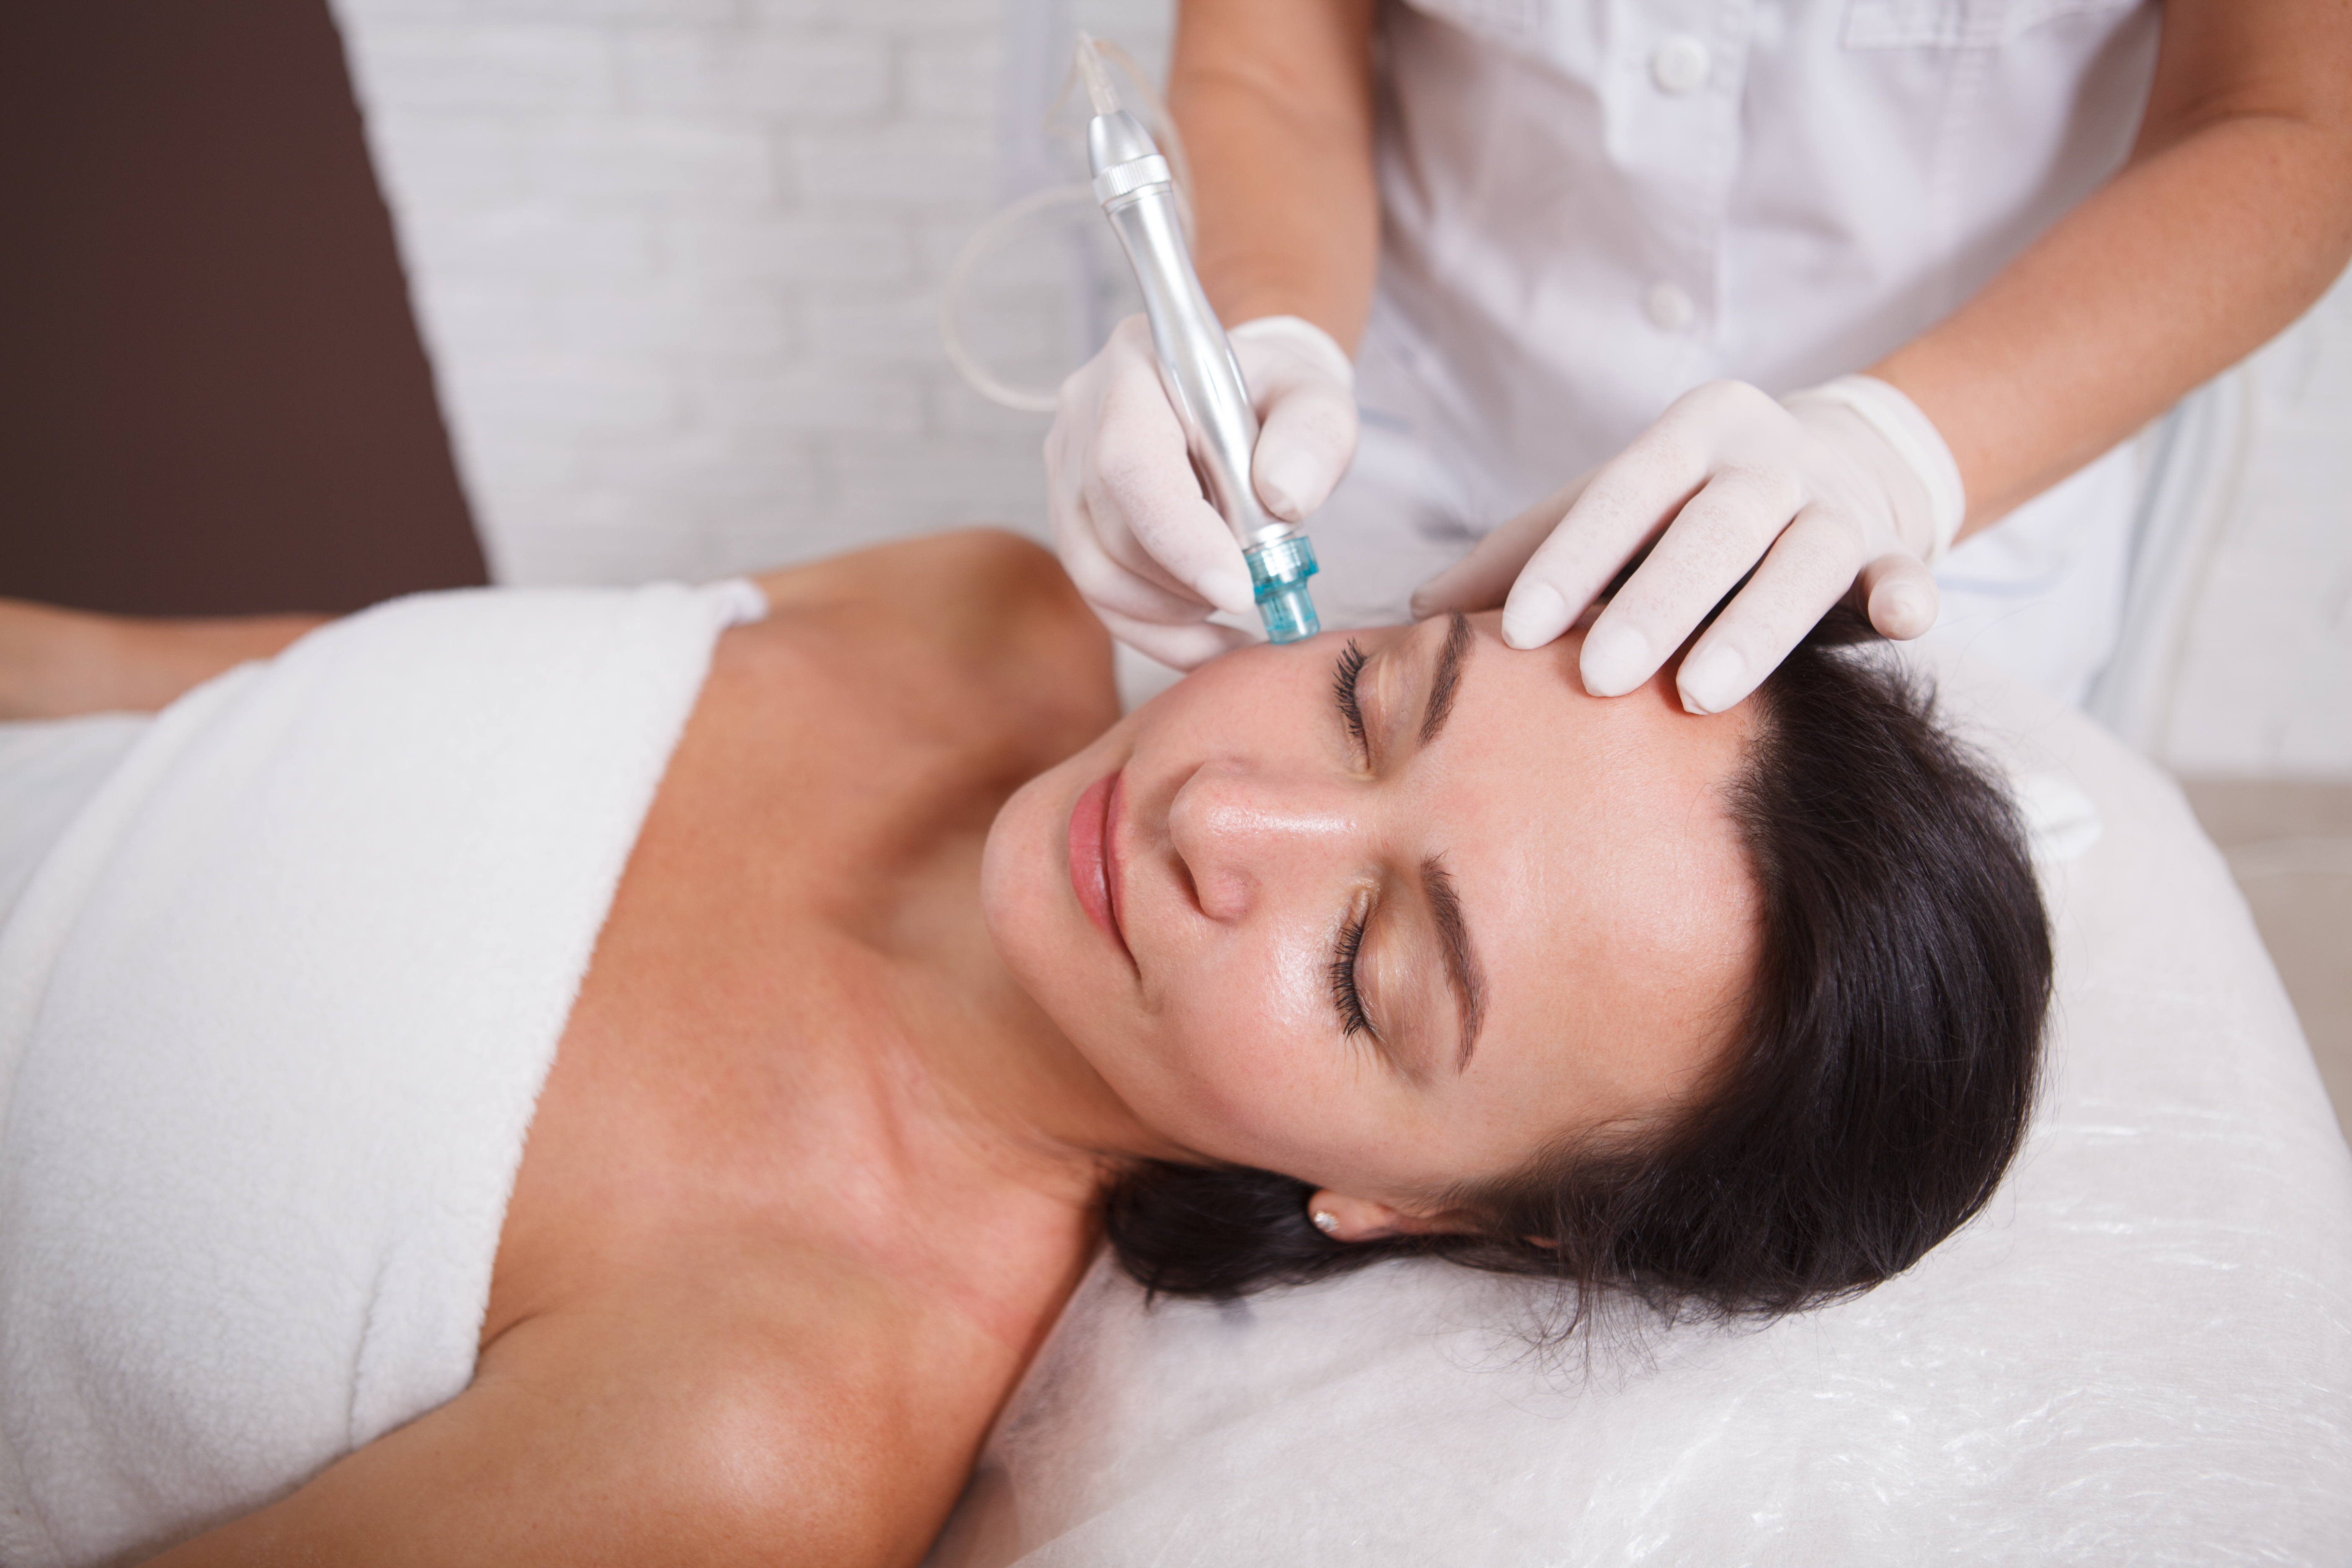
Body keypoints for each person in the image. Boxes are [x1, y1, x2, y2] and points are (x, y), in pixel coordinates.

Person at [0, 531, 2046, 1565]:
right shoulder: (977, 607)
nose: (1219, 822)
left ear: (1399, 1203)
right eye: (1361, 703)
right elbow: (147, 698)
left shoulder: (760, 1431)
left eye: (1369, 973)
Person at [1048, 0, 2352, 709]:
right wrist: (1271, 330)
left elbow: (2289, 121)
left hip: (1931, 517)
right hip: (1399, 455)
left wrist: (1894, 455)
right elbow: (1278, 60)